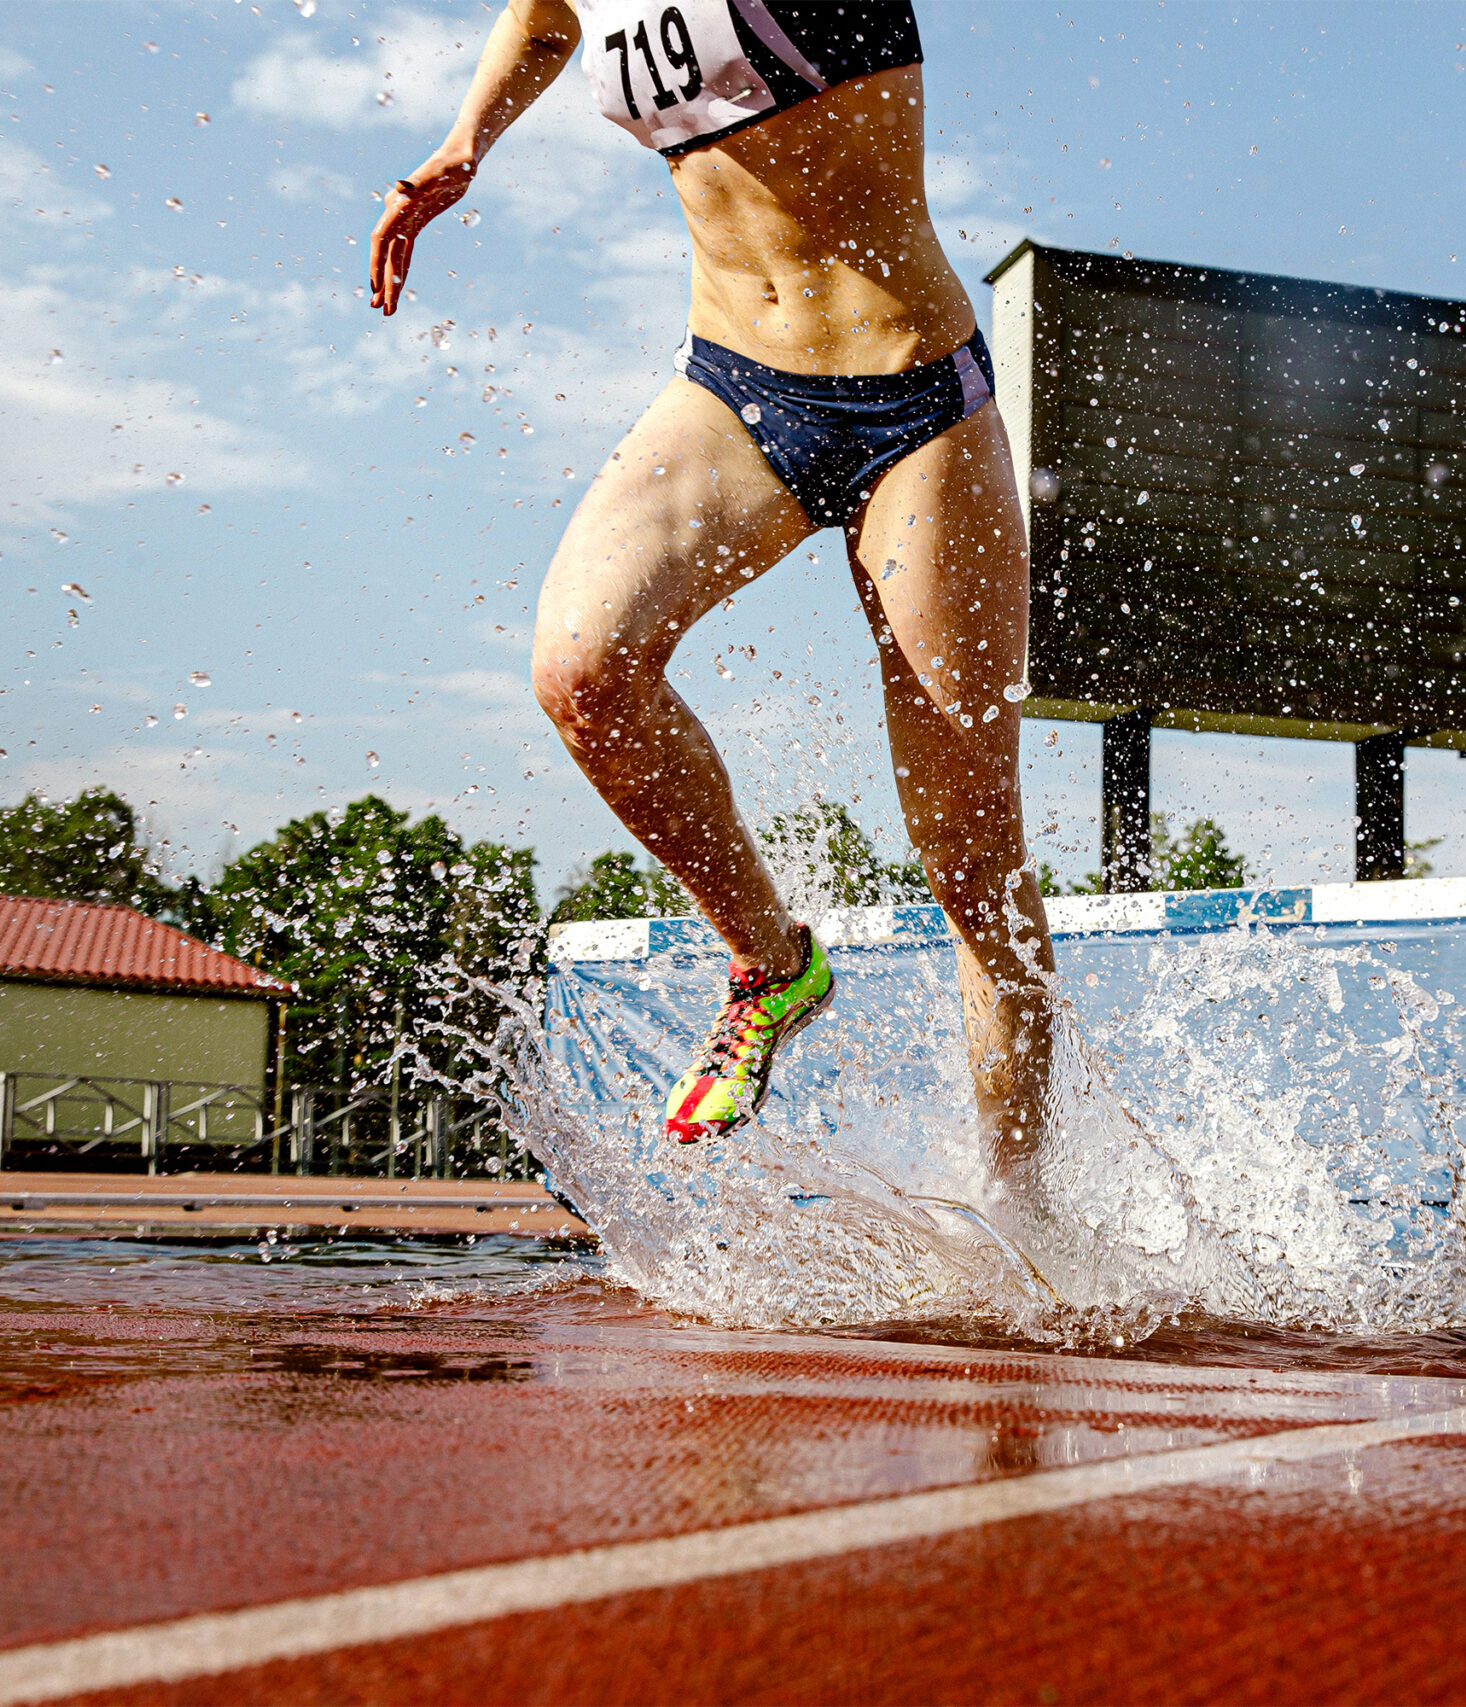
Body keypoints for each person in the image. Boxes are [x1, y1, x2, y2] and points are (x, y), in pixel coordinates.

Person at [369, 0, 1053, 1178]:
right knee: (581, 671)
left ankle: (1017, 1206)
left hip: (917, 404)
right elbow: (541, 24)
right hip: (736, 386)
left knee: (970, 854)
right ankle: (770, 962)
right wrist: (465, 145)